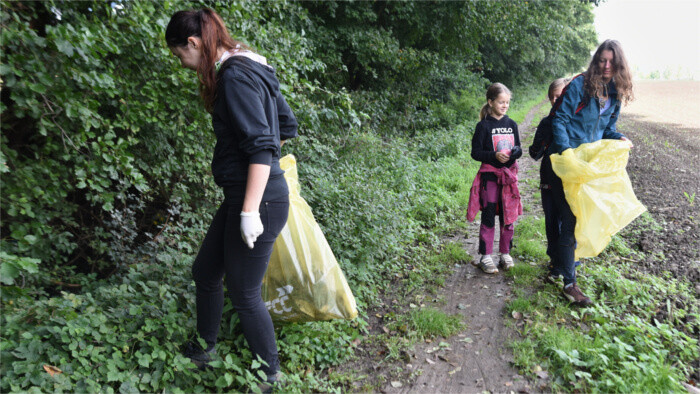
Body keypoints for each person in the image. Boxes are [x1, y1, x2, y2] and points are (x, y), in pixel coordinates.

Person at [165, 8, 298, 390]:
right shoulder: (250, 66)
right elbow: (284, 126)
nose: (183, 64)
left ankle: (268, 373)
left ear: (192, 43)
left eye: (180, 56)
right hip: (247, 194)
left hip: (258, 201)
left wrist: (250, 208)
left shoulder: (235, 76)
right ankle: (204, 348)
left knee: (243, 291)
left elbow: (262, 147)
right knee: (206, 272)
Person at [548, 39, 634, 306]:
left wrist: (619, 137)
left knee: (580, 219)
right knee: (570, 221)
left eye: (612, 62)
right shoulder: (580, 85)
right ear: (596, 61)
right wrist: (567, 152)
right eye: (602, 60)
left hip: (587, 167)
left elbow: (605, 130)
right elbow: (559, 119)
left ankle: (558, 267)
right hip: (565, 161)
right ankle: (569, 283)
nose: (606, 66)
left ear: (619, 64)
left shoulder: (615, 94)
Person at [528, 78, 582, 285]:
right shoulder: (546, 122)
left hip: (571, 180)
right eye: (552, 97)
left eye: (559, 97)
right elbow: (534, 153)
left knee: (569, 221)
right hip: (549, 179)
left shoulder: (577, 123)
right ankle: (555, 262)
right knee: (552, 221)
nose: (555, 100)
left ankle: (568, 262)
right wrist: (544, 140)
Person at [467, 83, 523, 274]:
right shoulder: (483, 126)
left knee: (508, 216)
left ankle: (505, 253)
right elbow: (475, 153)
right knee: (489, 214)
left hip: (508, 180)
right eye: (501, 102)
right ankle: (485, 256)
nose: (504, 106)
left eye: (507, 102)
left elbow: (519, 149)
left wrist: (514, 153)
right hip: (490, 178)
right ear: (490, 102)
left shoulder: (511, 124)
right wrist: (493, 156)